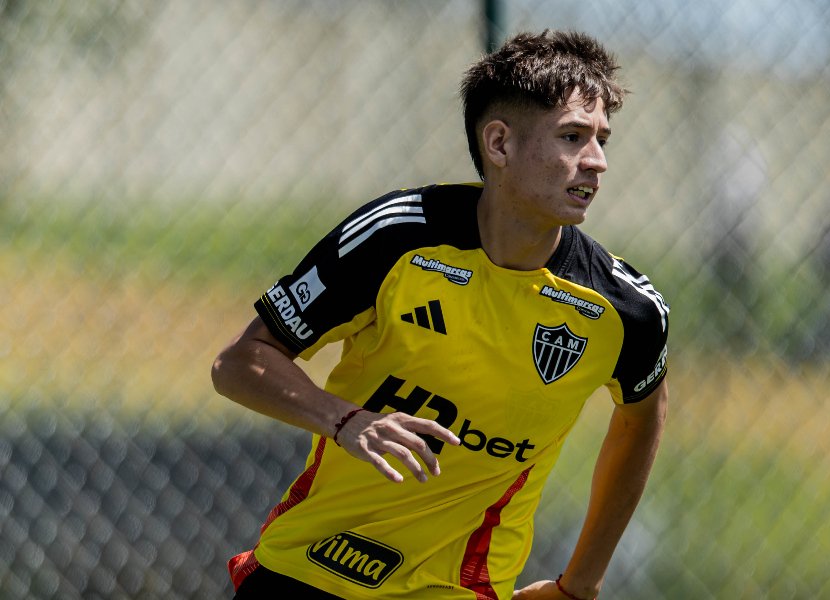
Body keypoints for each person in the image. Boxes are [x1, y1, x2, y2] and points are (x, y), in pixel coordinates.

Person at [212, 29, 669, 600]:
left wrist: (580, 584)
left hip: (460, 587)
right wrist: (346, 421)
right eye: (572, 137)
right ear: (499, 144)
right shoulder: (396, 239)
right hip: (310, 568)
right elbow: (239, 363)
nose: (597, 161)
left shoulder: (622, 310)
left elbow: (643, 417)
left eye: (602, 139)